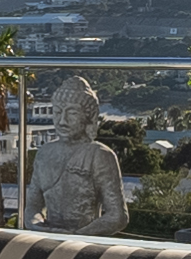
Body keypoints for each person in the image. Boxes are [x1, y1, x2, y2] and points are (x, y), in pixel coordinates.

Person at [24, 76, 127, 234]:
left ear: (89, 116)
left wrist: (78, 236)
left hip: (85, 241)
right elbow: (32, 206)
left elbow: (117, 216)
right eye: (57, 112)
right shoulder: (44, 153)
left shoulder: (99, 155)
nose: (62, 121)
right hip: (50, 237)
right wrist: (38, 225)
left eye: (71, 113)